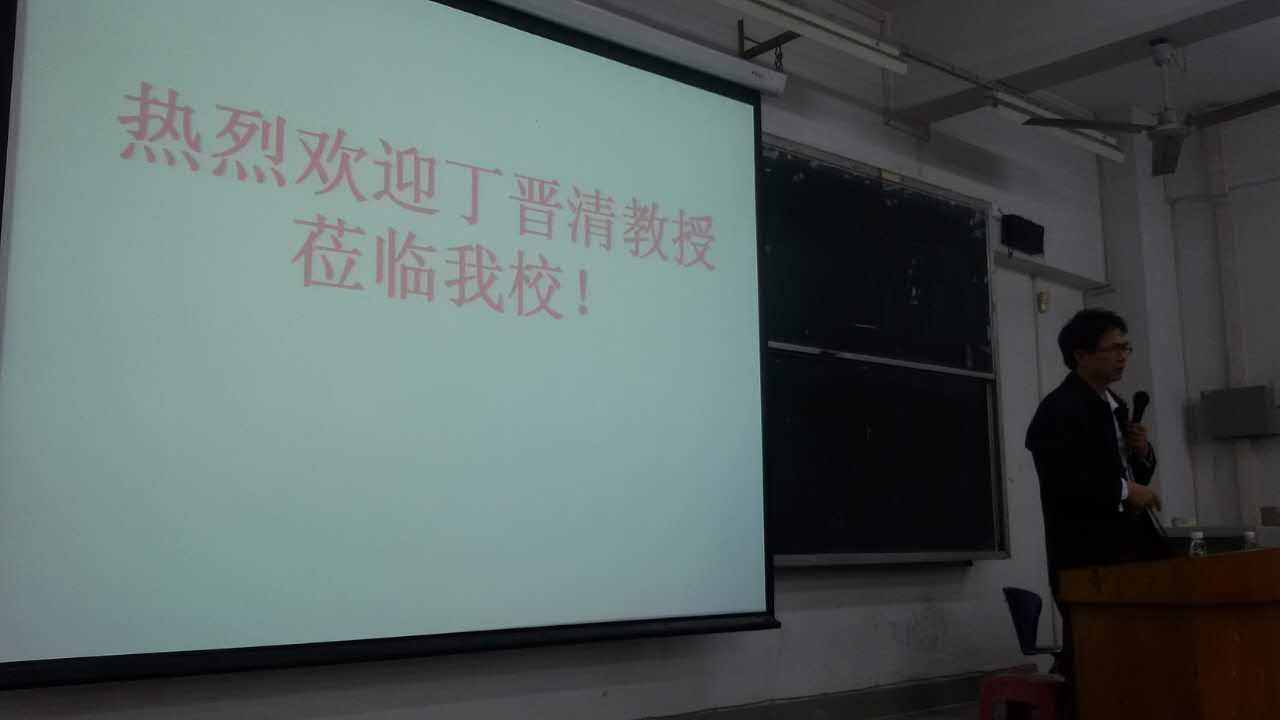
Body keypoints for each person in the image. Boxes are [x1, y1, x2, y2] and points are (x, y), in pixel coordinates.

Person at [1025, 309, 1170, 684]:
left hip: (1130, 547)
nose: (1123, 356)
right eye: (1113, 348)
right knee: (1099, 661)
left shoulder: (1115, 407)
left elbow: (1130, 476)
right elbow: (1065, 480)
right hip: (1086, 553)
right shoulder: (1059, 410)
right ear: (1081, 354)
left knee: (1138, 656)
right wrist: (1126, 489)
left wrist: (1142, 453)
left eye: (1126, 348)